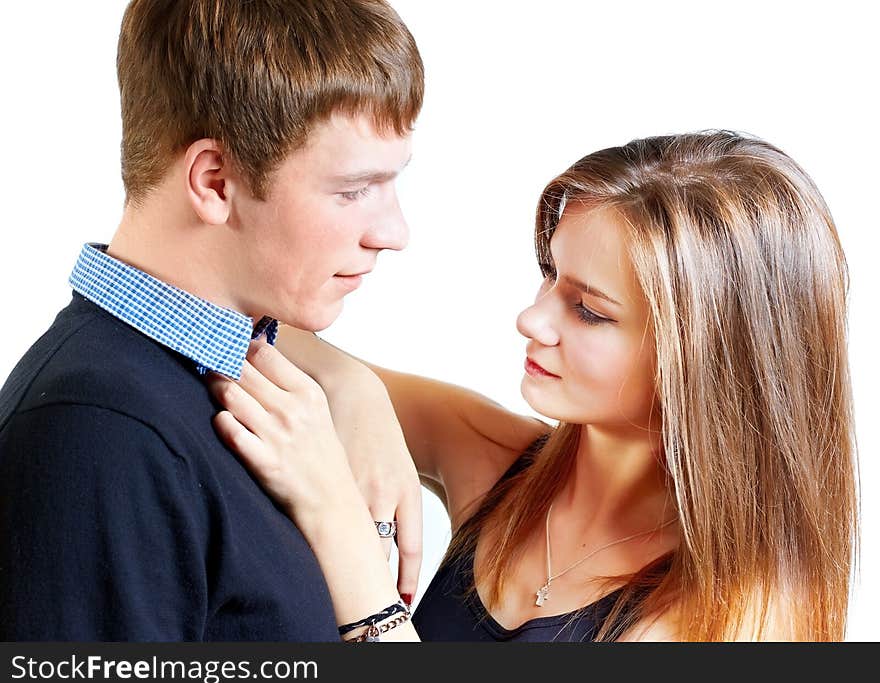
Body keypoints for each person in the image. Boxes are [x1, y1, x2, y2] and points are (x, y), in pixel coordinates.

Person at [210, 130, 859, 641]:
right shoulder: (501, 469)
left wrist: (338, 529)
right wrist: (353, 388)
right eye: (550, 274)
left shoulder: (728, 620)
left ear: (704, 361)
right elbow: (224, 314)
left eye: (589, 310)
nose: (531, 319)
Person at [0, 0, 424, 641]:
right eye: (353, 190)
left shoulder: (253, 395)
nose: (394, 233)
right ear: (216, 181)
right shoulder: (97, 435)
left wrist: (353, 384)